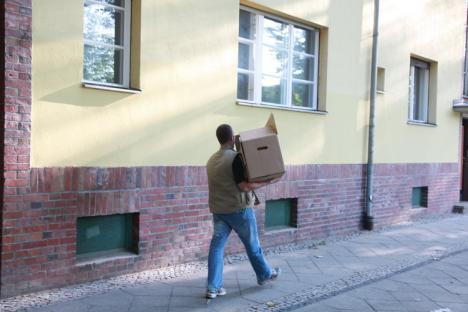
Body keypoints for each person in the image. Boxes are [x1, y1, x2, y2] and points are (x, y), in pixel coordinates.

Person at [205, 124, 280, 299]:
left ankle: (213, 288)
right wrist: (267, 182)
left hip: (219, 211)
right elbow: (244, 186)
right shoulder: (235, 158)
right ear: (232, 139)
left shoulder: (211, 160)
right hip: (239, 210)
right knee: (253, 245)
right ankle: (265, 275)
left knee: (216, 248)